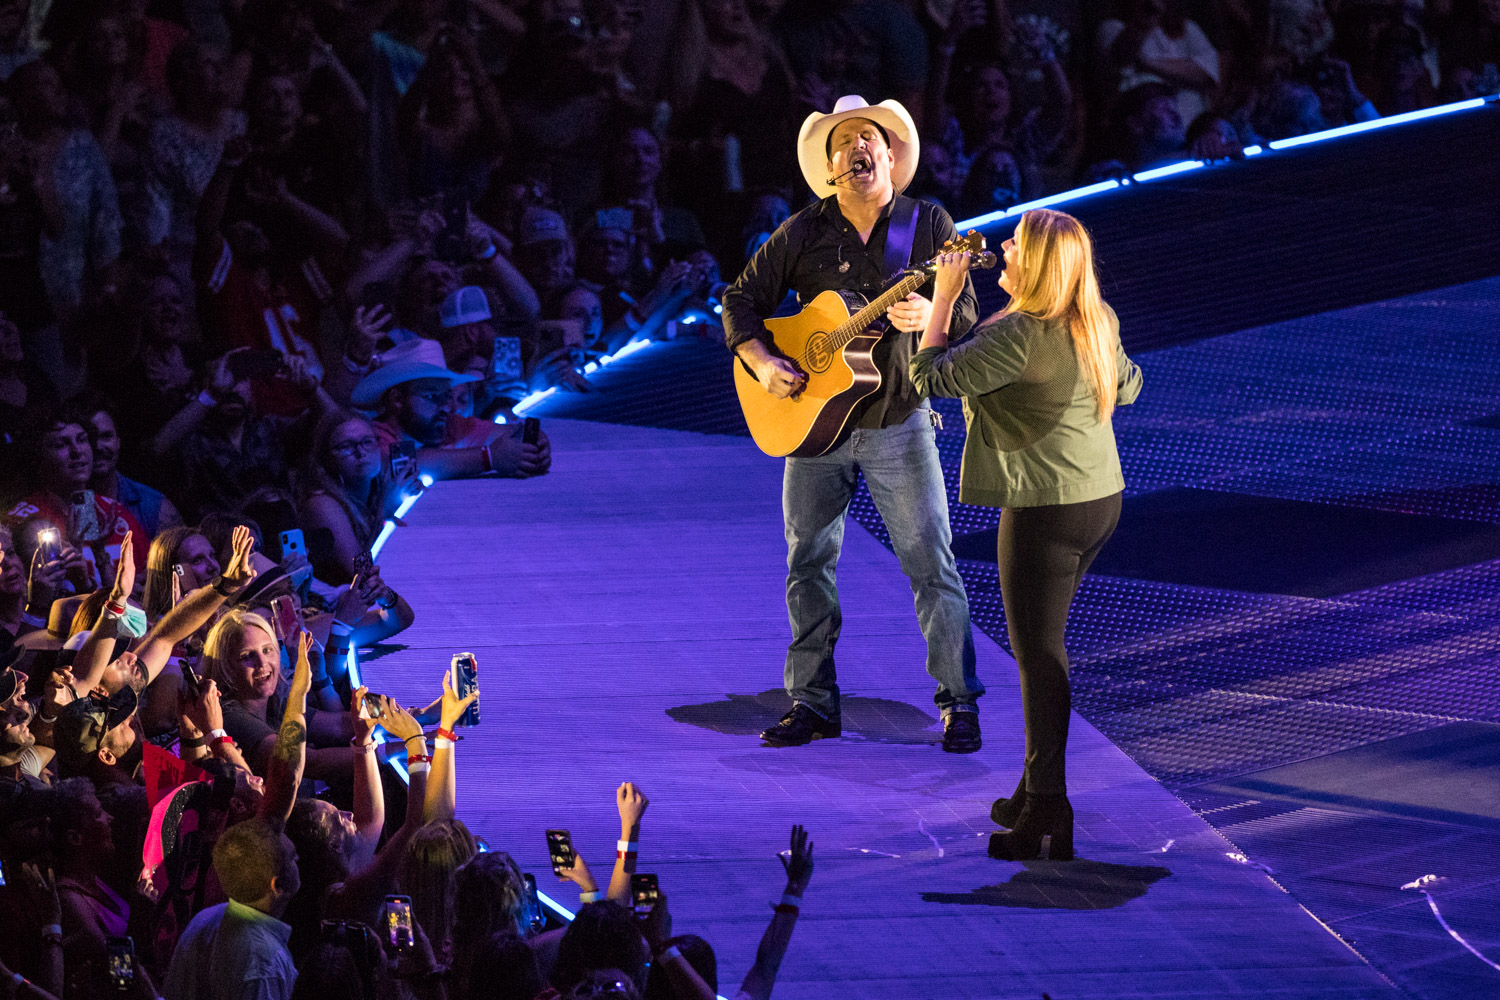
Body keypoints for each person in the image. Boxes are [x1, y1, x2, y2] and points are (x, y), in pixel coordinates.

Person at [721, 95, 983, 753]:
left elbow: (967, 315)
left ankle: (958, 703)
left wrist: (932, 314)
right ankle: (812, 703)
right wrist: (762, 362)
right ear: (831, 167)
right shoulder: (803, 231)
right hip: (813, 424)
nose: (857, 147)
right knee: (807, 562)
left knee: (931, 562)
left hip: (898, 418)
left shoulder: (929, 225)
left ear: (890, 155)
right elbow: (740, 300)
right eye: (843, 142)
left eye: (869, 137)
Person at [909, 208, 1143, 860]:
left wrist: (943, 299)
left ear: (1038, 263)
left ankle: (1047, 807)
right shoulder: (1093, 319)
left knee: (1038, 656)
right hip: (1100, 501)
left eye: (1015, 243)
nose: (1005, 248)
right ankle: (1033, 788)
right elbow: (1128, 387)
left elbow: (930, 376)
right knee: (1045, 648)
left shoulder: (1020, 335)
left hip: (1046, 509)